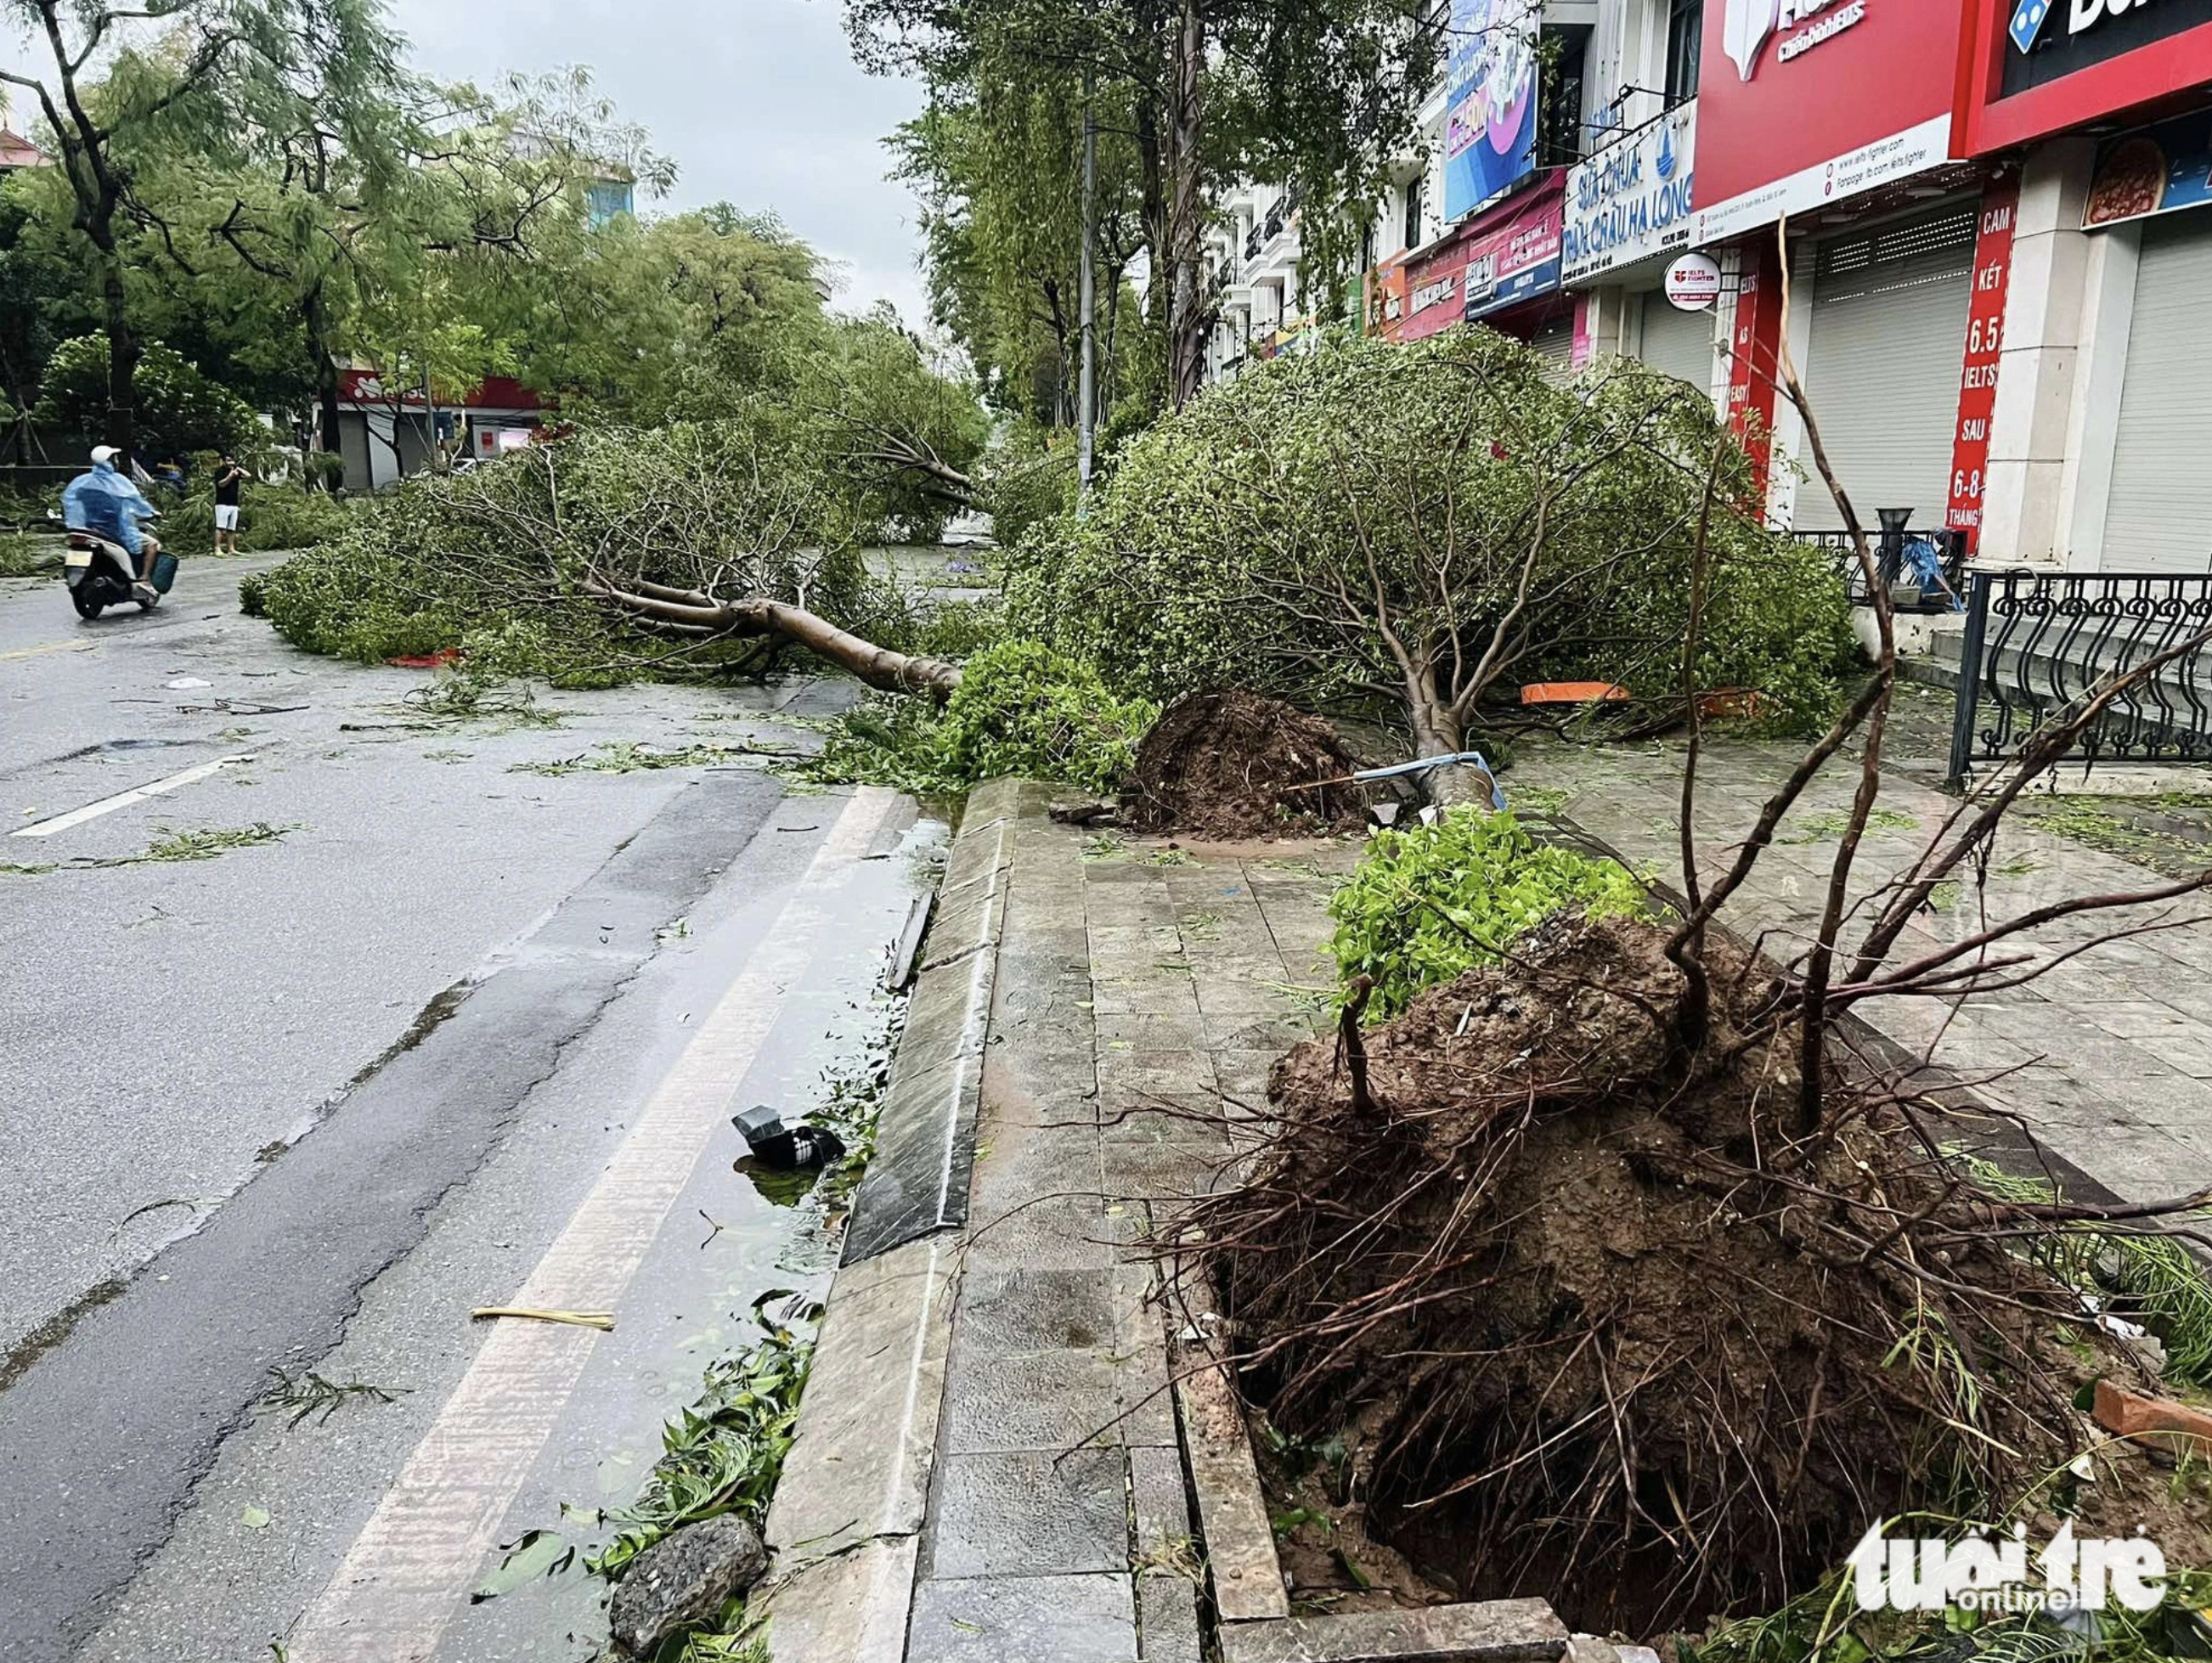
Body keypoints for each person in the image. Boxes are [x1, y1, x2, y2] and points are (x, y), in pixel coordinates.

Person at [61, 445, 163, 604]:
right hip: (115, 531)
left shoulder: (82, 482)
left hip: (89, 530)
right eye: (114, 458)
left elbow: (70, 502)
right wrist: (150, 512)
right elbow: (136, 502)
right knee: (153, 544)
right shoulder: (118, 482)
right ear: (110, 461)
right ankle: (144, 579)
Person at [212, 453, 248, 553]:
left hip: (234, 503)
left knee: (231, 528)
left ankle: (231, 548)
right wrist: (230, 476)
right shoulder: (220, 471)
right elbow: (221, 484)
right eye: (228, 460)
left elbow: (248, 475)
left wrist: (238, 469)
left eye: (232, 460)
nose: (230, 463)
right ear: (223, 462)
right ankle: (217, 548)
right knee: (220, 527)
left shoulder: (236, 472)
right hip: (222, 503)